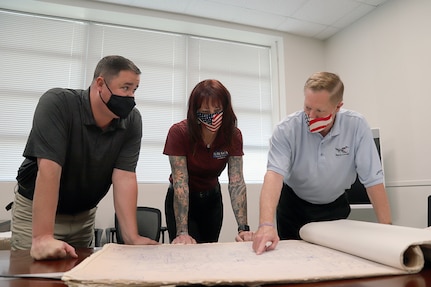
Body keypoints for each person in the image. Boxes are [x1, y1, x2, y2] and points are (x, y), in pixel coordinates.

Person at [11, 55, 158, 260]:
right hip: (37, 215)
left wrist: (132, 237)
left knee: (78, 275)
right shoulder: (58, 104)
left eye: (134, 89)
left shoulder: (132, 121)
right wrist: (43, 237)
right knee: (35, 275)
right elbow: (49, 169)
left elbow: (124, 177)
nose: (131, 97)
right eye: (125, 88)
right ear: (100, 83)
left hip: (84, 217)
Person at [252, 72, 392, 254]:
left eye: (319, 111)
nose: (310, 116)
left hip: (334, 207)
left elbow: (373, 179)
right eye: (307, 107)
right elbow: (274, 175)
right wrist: (265, 224)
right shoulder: (287, 129)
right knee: (294, 262)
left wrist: (387, 228)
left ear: (338, 107)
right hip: (293, 207)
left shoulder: (356, 126)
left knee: (336, 261)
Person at [163, 79, 252, 244]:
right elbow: (180, 183)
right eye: (205, 111)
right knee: (184, 251)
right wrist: (182, 231)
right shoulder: (179, 133)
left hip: (212, 201)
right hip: (182, 200)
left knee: (210, 251)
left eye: (217, 110)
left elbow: (236, 182)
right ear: (195, 112)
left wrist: (243, 228)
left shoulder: (232, 135)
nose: (212, 116)